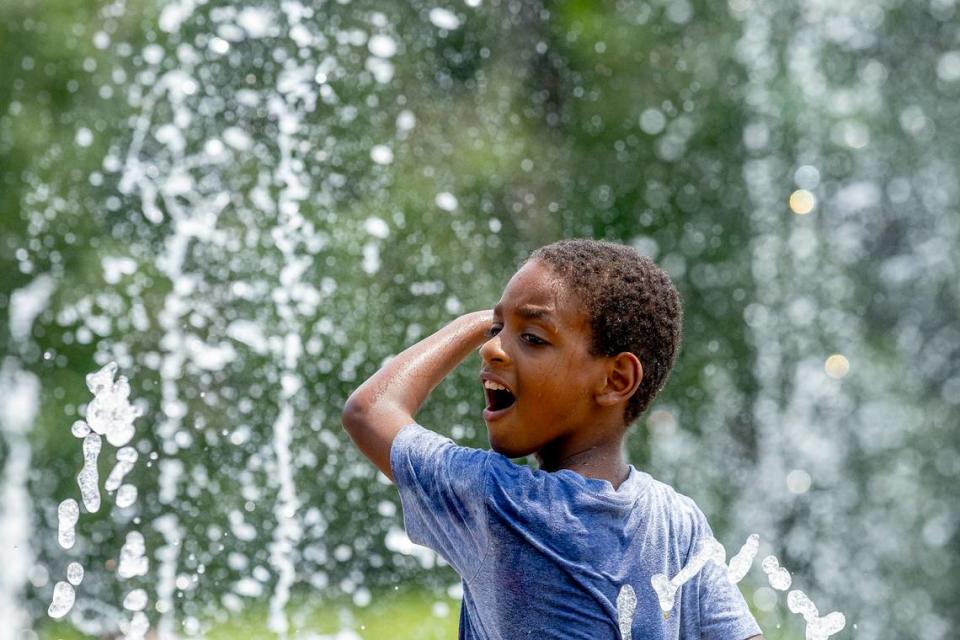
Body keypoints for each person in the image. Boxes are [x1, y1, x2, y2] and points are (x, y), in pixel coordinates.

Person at [342, 238, 763, 639]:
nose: (493, 349)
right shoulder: (676, 521)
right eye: (497, 331)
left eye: (532, 338)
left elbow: (370, 410)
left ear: (616, 379)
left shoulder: (504, 503)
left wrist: (473, 324)